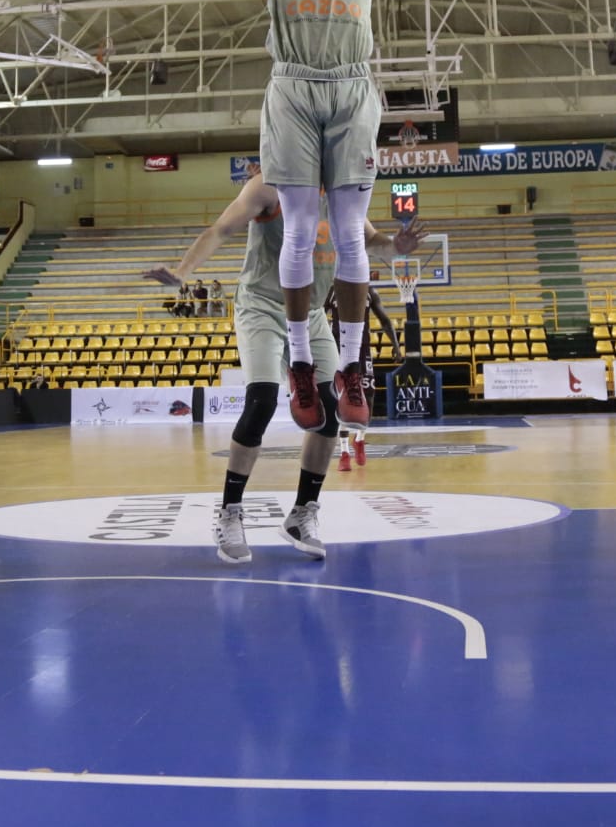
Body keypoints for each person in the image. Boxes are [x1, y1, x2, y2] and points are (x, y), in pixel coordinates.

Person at [84, 0, 486, 437]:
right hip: (293, 89)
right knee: (298, 225)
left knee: (349, 229)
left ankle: (349, 367)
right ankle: (301, 361)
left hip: (352, 89)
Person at [140, 169, 423, 563]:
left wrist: (397, 246)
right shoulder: (269, 185)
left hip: (310, 313)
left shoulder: (342, 192)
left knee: (327, 411)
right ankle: (230, 513)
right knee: (262, 400)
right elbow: (222, 229)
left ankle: (302, 514)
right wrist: (183, 272)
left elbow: (373, 242)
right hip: (261, 306)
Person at [331, 285, 396, 472]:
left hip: (362, 349)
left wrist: (396, 345)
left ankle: (359, 438)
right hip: (338, 350)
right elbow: (315, 315)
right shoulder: (332, 290)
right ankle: (344, 452)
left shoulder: (370, 291)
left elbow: (384, 320)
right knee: (341, 399)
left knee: (368, 397)